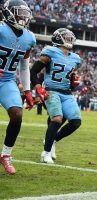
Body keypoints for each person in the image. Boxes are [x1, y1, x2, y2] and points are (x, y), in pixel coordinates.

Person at [30, 28, 81, 164]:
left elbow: (70, 81)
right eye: (66, 37)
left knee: (76, 122)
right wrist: (38, 87)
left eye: (71, 37)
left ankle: (53, 140)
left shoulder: (75, 58)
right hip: (51, 90)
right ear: (58, 39)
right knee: (57, 119)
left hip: (66, 92)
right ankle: (45, 153)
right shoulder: (50, 52)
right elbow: (33, 71)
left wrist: (74, 82)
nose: (69, 39)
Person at [0, 0, 35, 174]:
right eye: (19, 13)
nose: (23, 17)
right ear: (8, 12)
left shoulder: (29, 37)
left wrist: (27, 90)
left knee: (17, 113)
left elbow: (23, 65)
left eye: (25, 13)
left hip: (6, 80)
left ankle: (5, 155)